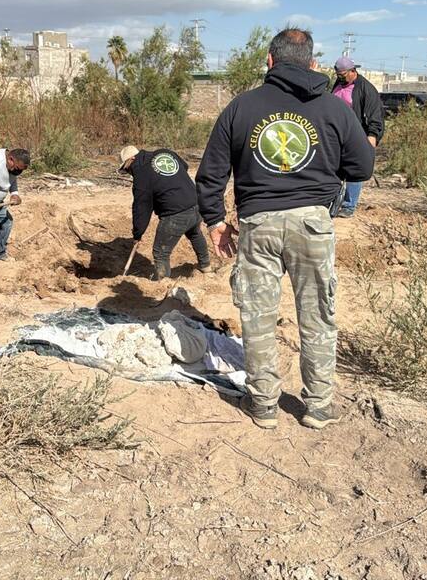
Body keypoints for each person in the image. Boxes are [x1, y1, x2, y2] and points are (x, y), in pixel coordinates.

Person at [197, 28, 375, 430]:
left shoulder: (241, 107)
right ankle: (318, 407)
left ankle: (263, 406)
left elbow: (210, 174)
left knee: (257, 318)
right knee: (317, 317)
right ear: (313, 64)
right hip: (312, 224)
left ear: (270, 60)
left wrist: (215, 222)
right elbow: (362, 167)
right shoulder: (334, 108)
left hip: (258, 224)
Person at [118, 145, 212, 280]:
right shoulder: (165, 152)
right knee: (195, 233)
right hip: (195, 203)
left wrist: (138, 233)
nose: (128, 171)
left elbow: (141, 207)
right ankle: (206, 268)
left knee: (160, 252)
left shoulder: (141, 174)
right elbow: (184, 166)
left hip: (175, 214)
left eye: (126, 168)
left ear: (132, 159)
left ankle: (163, 283)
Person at [329, 56, 383, 217]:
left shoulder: (366, 89)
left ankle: (348, 205)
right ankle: (332, 201)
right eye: (338, 75)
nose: (340, 78)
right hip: (336, 133)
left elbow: (375, 115)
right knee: (335, 168)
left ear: (353, 71)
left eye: (343, 75)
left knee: (353, 169)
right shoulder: (338, 84)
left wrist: (372, 138)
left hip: (357, 134)